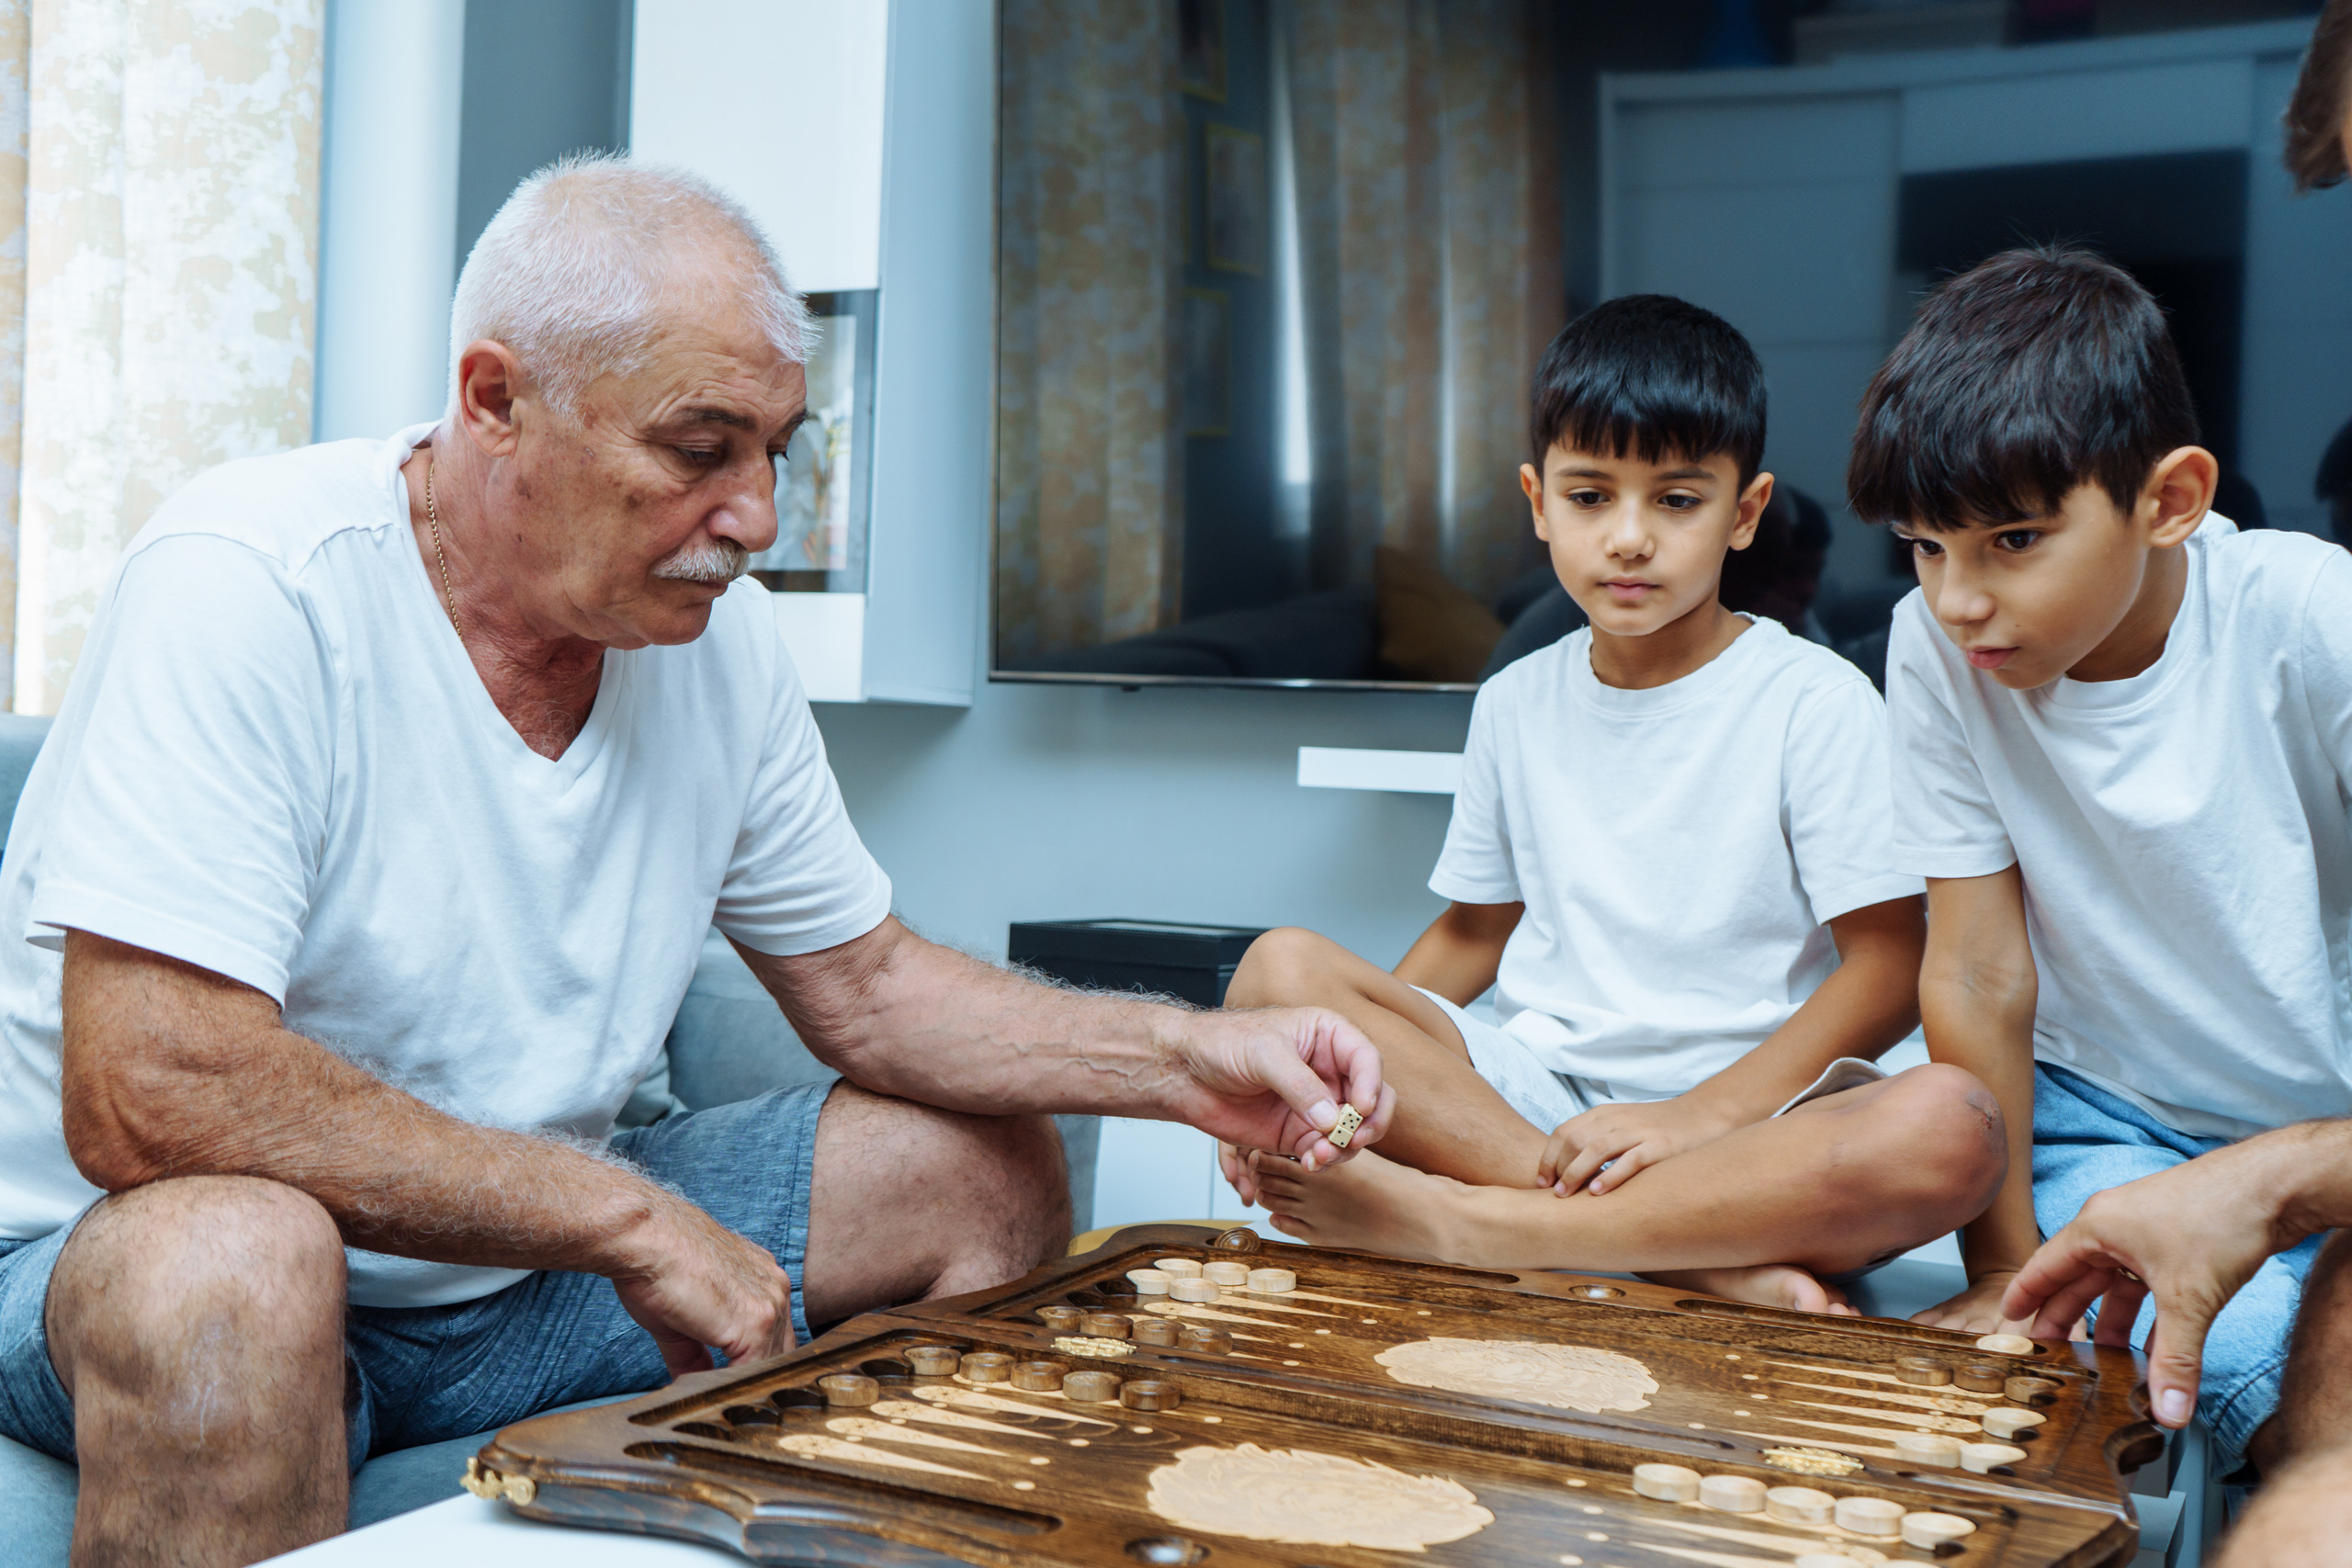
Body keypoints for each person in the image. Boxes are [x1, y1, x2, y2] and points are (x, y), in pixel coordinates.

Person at [0, 156, 1392, 1568]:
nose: (759, 520)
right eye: (700, 448)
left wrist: (1189, 1055)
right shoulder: (253, 581)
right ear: (494, 400)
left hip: (519, 1280)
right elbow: (151, 1082)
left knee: (968, 1162)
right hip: (119, 1258)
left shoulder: (719, 653)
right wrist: (626, 1213)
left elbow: (872, 985)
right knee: (238, 1260)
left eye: (778, 450)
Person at [1220, 295, 2005, 1314]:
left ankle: (1484, 1225)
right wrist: (1333, 1091)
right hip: (1535, 1102)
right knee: (1279, 974)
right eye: (1590, 497)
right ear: (1538, 502)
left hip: (1753, 1126)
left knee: (1950, 1122)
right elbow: (1471, 933)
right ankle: (1687, 1256)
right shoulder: (1515, 700)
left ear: (1746, 512)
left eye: (1675, 501)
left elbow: (1891, 965)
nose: (1628, 538)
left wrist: (1696, 1120)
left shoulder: (1814, 699)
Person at [1848, 244, 2351, 1489]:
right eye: (1924, 545)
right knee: (2216, 1364)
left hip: (2324, 1127)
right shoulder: (1936, 645)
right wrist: (2003, 1280)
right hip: (2105, 1117)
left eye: (2014, 537)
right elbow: (1974, 966)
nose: (1960, 599)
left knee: (2308, 1386)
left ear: (2171, 498)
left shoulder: (2308, 619)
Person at [1997, 1122, 2352, 1564]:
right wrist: (1999, 1263)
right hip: (2111, 1120)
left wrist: (2277, 1171)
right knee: (2271, 1377)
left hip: (2326, 1141)